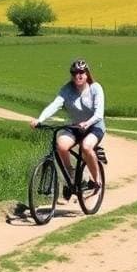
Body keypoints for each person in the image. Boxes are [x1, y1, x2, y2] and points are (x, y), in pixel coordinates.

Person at [30, 59, 105, 198]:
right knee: (61, 145)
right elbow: (55, 104)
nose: (78, 75)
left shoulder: (95, 88)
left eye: (81, 72)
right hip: (76, 126)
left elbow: (99, 114)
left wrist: (87, 123)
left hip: (94, 126)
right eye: (75, 73)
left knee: (86, 146)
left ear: (87, 74)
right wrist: (39, 119)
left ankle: (96, 182)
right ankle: (71, 175)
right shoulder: (67, 89)